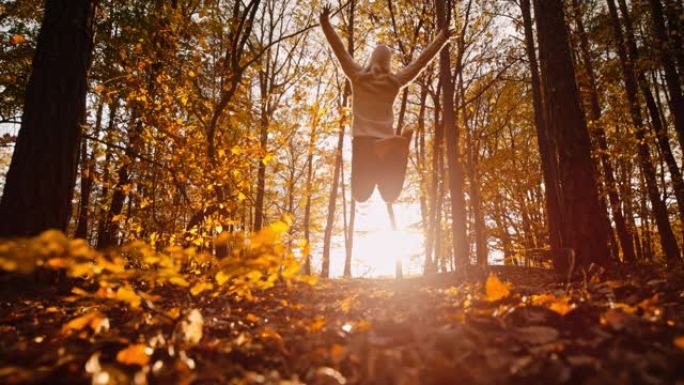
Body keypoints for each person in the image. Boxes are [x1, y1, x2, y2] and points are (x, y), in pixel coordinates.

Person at [320, 4, 452, 203]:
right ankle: (391, 145)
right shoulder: (394, 82)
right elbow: (421, 62)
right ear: (388, 62)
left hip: (363, 141)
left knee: (361, 195)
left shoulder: (357, 76)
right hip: (384, 141)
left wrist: (325, 23)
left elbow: (340, 50)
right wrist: (442, 39)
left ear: (371, 59)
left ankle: (385, 147)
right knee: (390, 196)